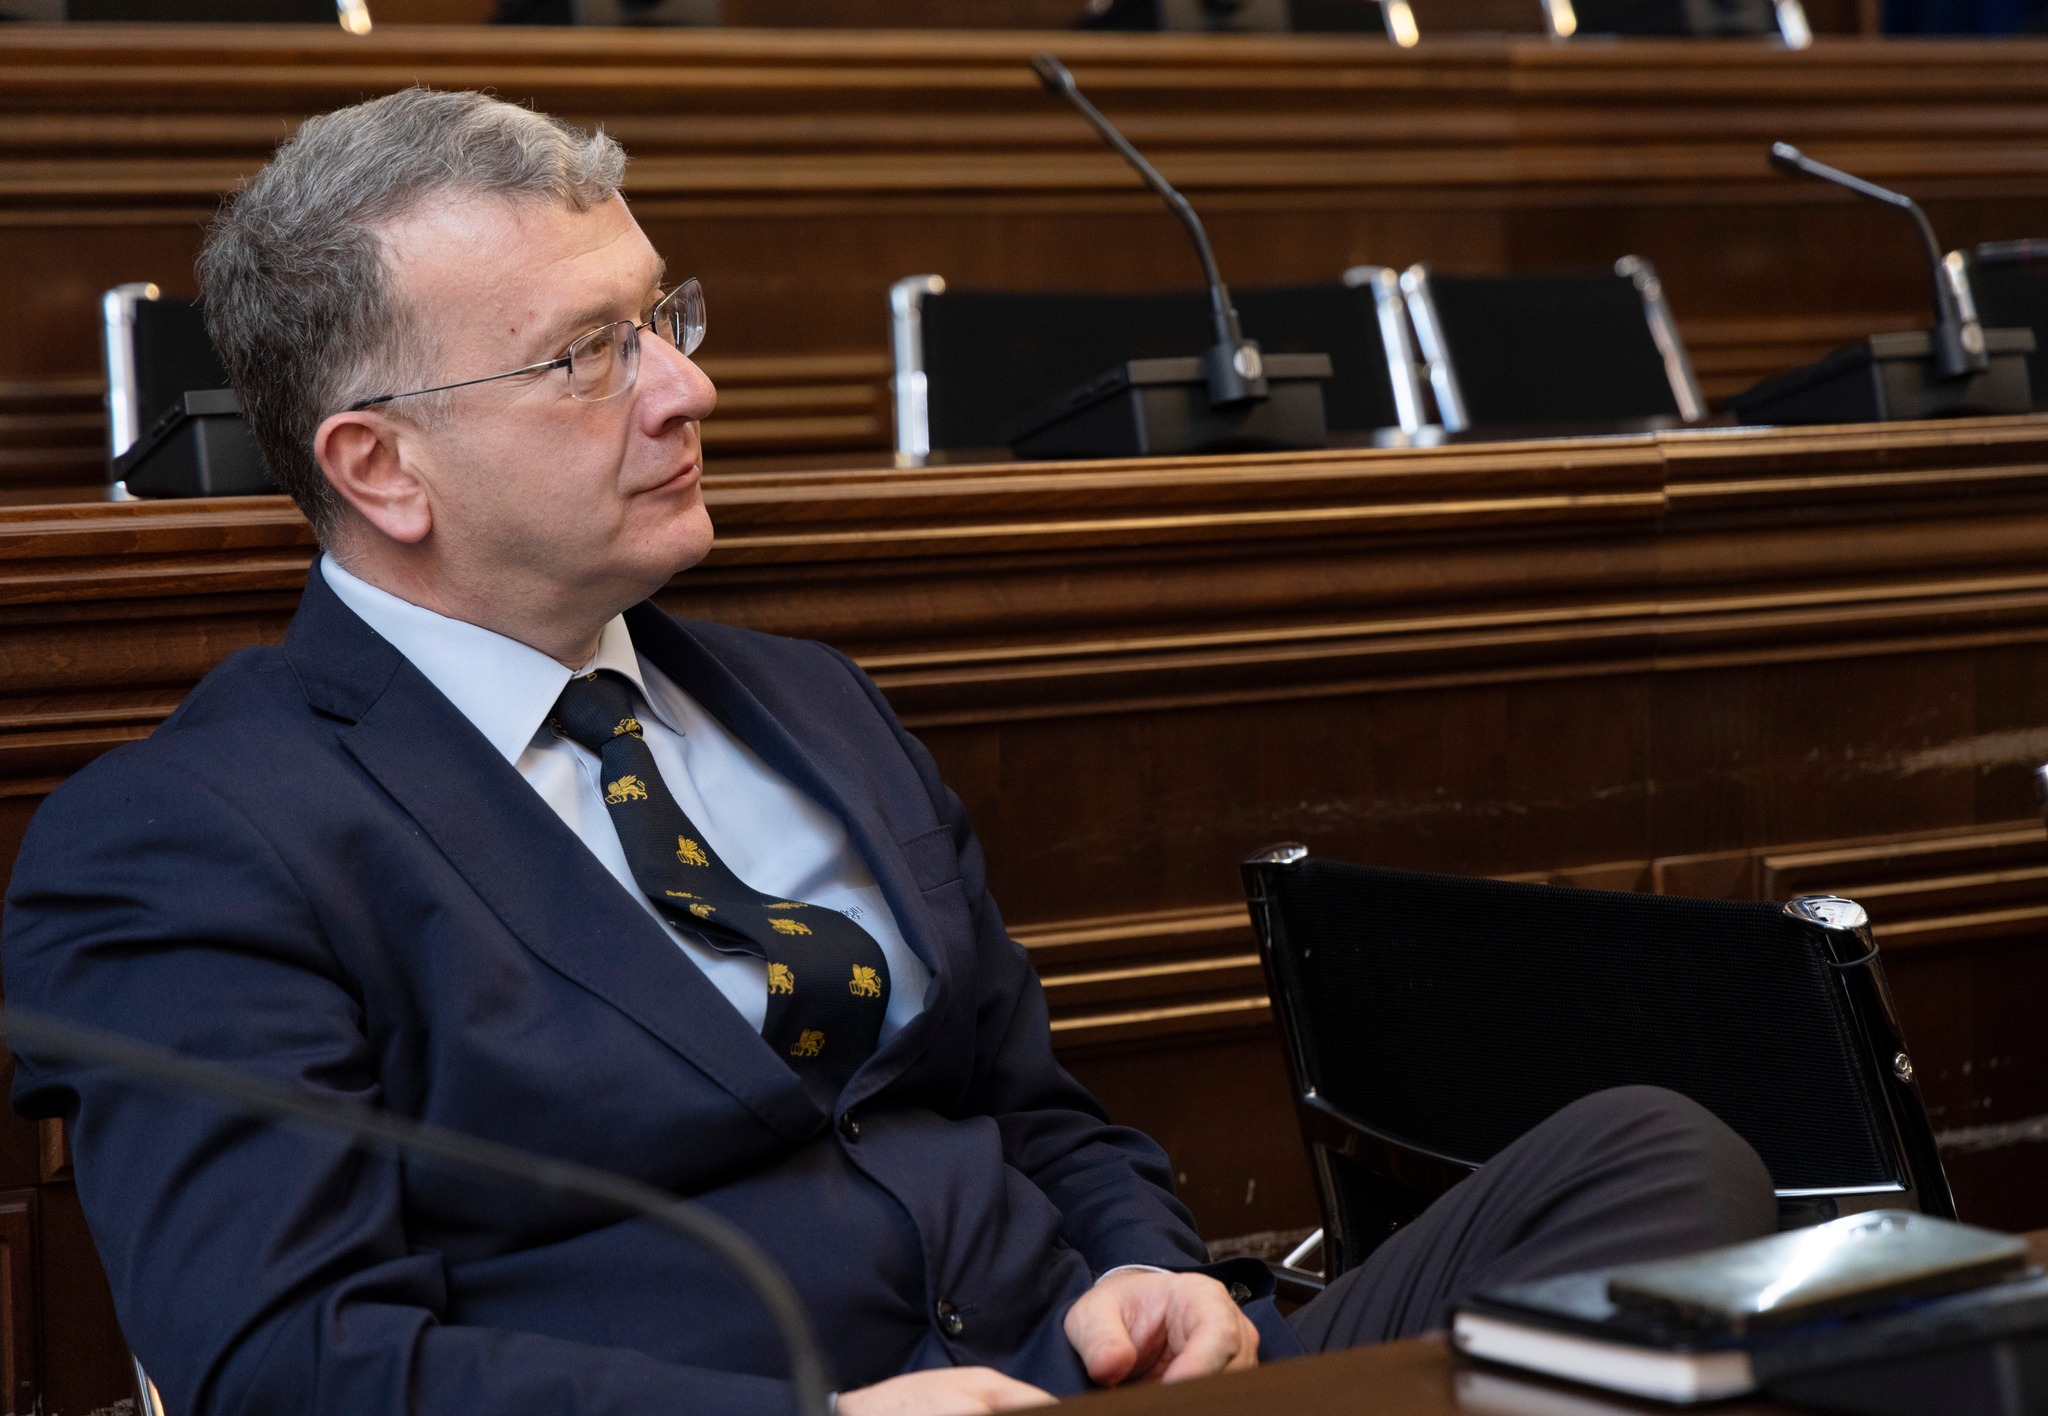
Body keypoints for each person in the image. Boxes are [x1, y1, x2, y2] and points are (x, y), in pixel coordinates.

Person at [2, 89, 1776, 1416]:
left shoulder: (805, 703)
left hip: (1097, 1383)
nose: (686, 390)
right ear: (381, 467)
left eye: (662, 319)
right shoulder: (189, 840)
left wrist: (1148, 1271)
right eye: (589, 356)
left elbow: (1035, 1113)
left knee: (1655, 1158)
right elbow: (293, 1363)